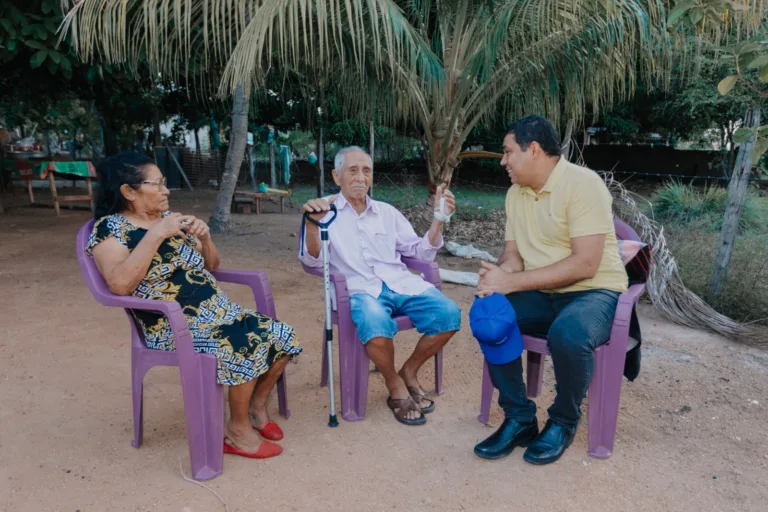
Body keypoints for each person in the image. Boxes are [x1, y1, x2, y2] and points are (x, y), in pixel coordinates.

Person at [85, 152, 301, 459]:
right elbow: (119, 284)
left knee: (283, 336)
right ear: (129, 192)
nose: (165, 190)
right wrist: (156, 235)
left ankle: (255, 408)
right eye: (156, 184)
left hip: (219, 313)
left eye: (164, 183)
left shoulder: (169, 219)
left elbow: (210, 266)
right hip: (172, 325)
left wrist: (206, 238)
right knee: (244, 345)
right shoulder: (110, 228)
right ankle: (237, 433)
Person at [474, 116, 628, 465]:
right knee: (488, 315)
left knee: (569, 335)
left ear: (533, 150)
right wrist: (498, 276)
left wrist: (511, 282)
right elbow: (514, 256)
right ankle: (519, 418)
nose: (503, 161)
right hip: (544, 291)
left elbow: (585, 264)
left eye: (508, 152)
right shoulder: (516, 193)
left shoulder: (583, 185)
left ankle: (563, 420)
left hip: (593, 291)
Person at [299, 146, 462, 426]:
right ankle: (394, 384)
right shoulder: (323, 211)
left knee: (449, 314)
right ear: (337, 177)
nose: (361, 177)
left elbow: (420, 252)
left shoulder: (387, 212)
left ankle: (408, 371)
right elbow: (313, 262)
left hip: (399, 283)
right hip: (359, 290)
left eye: (366, 171)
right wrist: (312, 227)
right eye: (353, 171)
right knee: (374, 322)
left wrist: (438, 220)